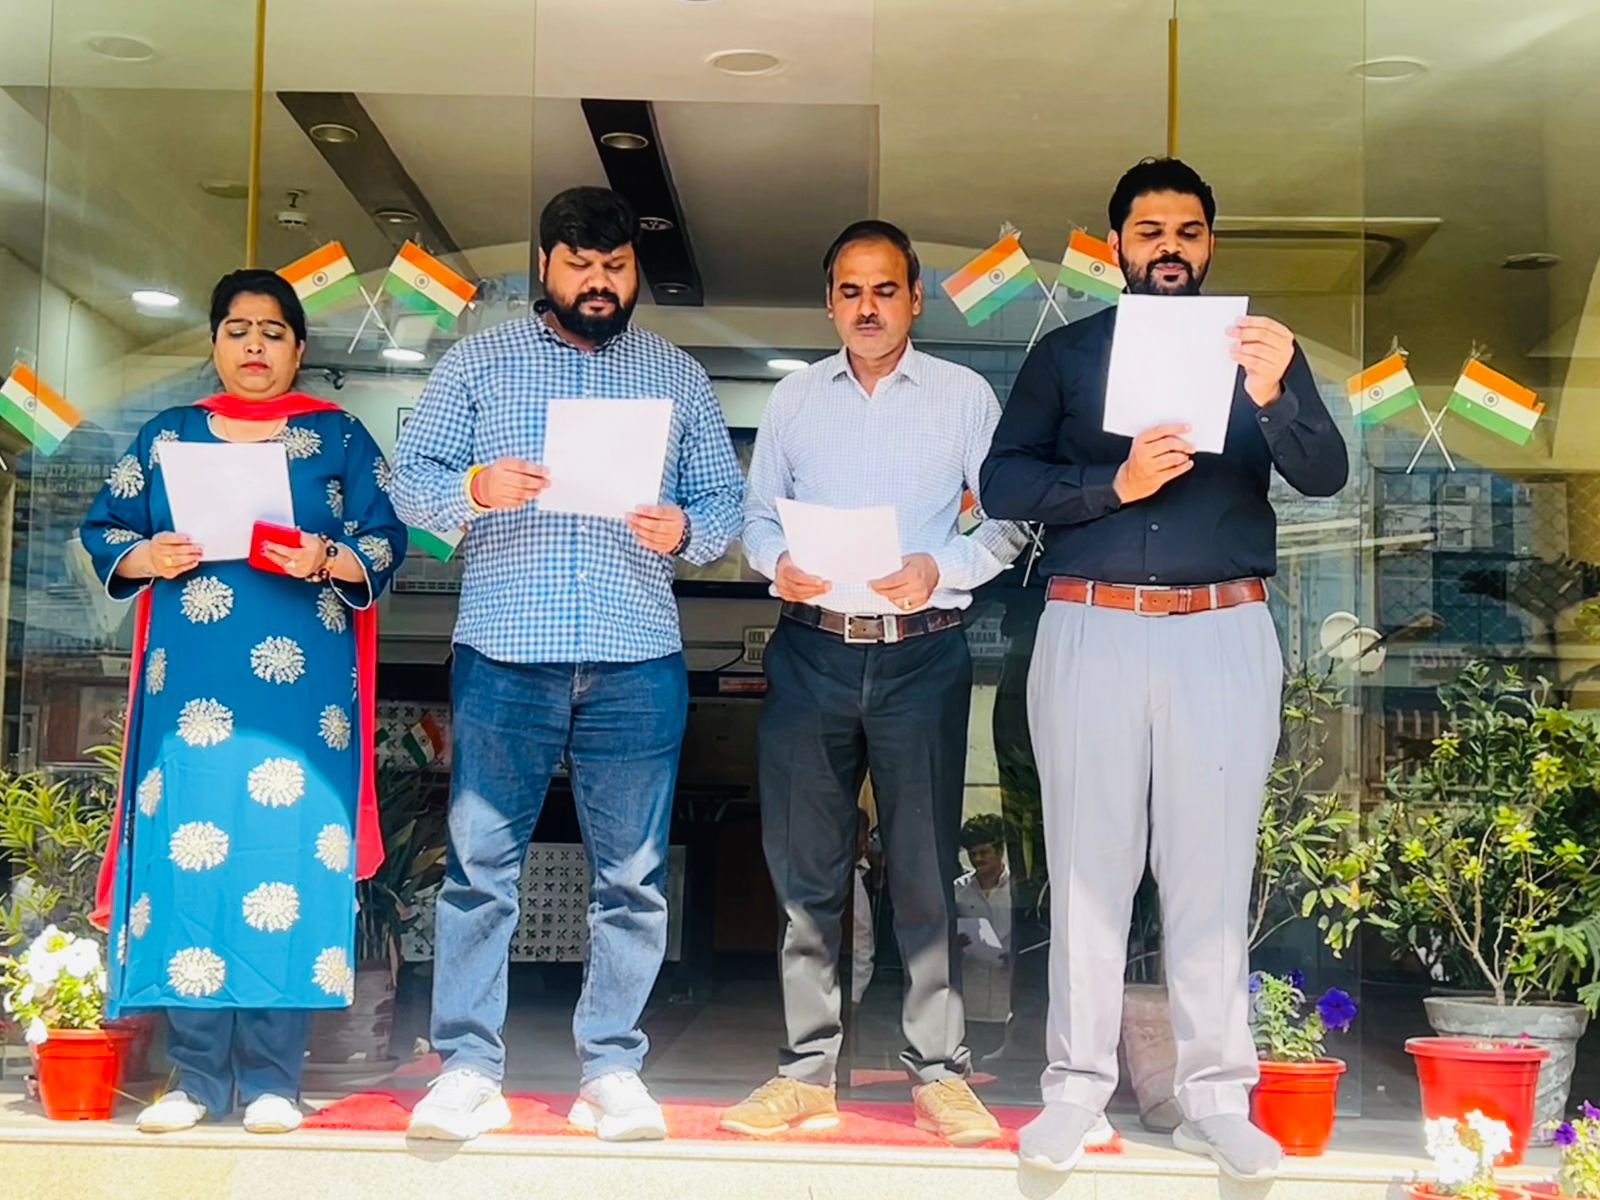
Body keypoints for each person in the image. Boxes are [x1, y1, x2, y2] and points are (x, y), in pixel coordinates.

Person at [980, 157, 1348, 1179]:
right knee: (1086, 869)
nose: (1169, 248)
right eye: (1150, 232)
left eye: (1188, 231)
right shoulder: (1067, 355)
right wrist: (1116, 482)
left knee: (1211, 870)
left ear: (1209, 244)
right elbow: (1003, 482)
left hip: (1222, 629)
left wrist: (1273, 397)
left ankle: (1216, 1099)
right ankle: (1074, 1091)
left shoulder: (1260, 352)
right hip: (1092, 622)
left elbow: (1324, 474)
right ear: (1116, 247)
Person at [391, 186, 744, 1143]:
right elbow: (408, 480)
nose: (599, 283)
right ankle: (468, 1068)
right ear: (544, 264)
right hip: (507, 650)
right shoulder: (479, 361)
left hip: (636, 655)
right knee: (480, 870)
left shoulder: (674, 373)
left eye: (616, 267)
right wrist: (475, 486)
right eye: (581, 265)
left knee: (632, 878)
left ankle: (611, 1069)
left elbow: (725, 504)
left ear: (635, 272)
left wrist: (685, 528)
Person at [80, 269, 407, 1134]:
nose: (254, 345)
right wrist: (147, 556)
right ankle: (194, 1079)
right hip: (188, 688)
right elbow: (105, 527)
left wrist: (327, 558)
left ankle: (271, 1080)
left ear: (298, 349)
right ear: (215, 343)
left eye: (272, 331)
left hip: (304, 696)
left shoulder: (338, 437)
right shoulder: (168, 435)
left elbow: (385, 535)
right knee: (190, 861)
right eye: (237, 329)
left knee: (282, 864)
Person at [722, 219, 1026, 1145]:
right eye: (850, 291)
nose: (867, 307)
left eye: (885, 290)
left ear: (915, 298)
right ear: (829, 303)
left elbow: (1011, 524)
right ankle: (807, 1072)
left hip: (922, 652)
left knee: (926, 868)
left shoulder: (964, 396)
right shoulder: (794, 400)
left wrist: (942, 566)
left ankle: (939, 1073)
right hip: (811, 648)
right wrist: (777, 563)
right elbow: (755, 517)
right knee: (806, 870)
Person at [954, 815, 1012, 1059]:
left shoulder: (1017, 888)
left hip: (1007, 999)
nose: (977, 859)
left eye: (984, 852)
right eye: (972, 854)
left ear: (1000, 850)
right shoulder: (958, 890)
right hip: (971, 999)